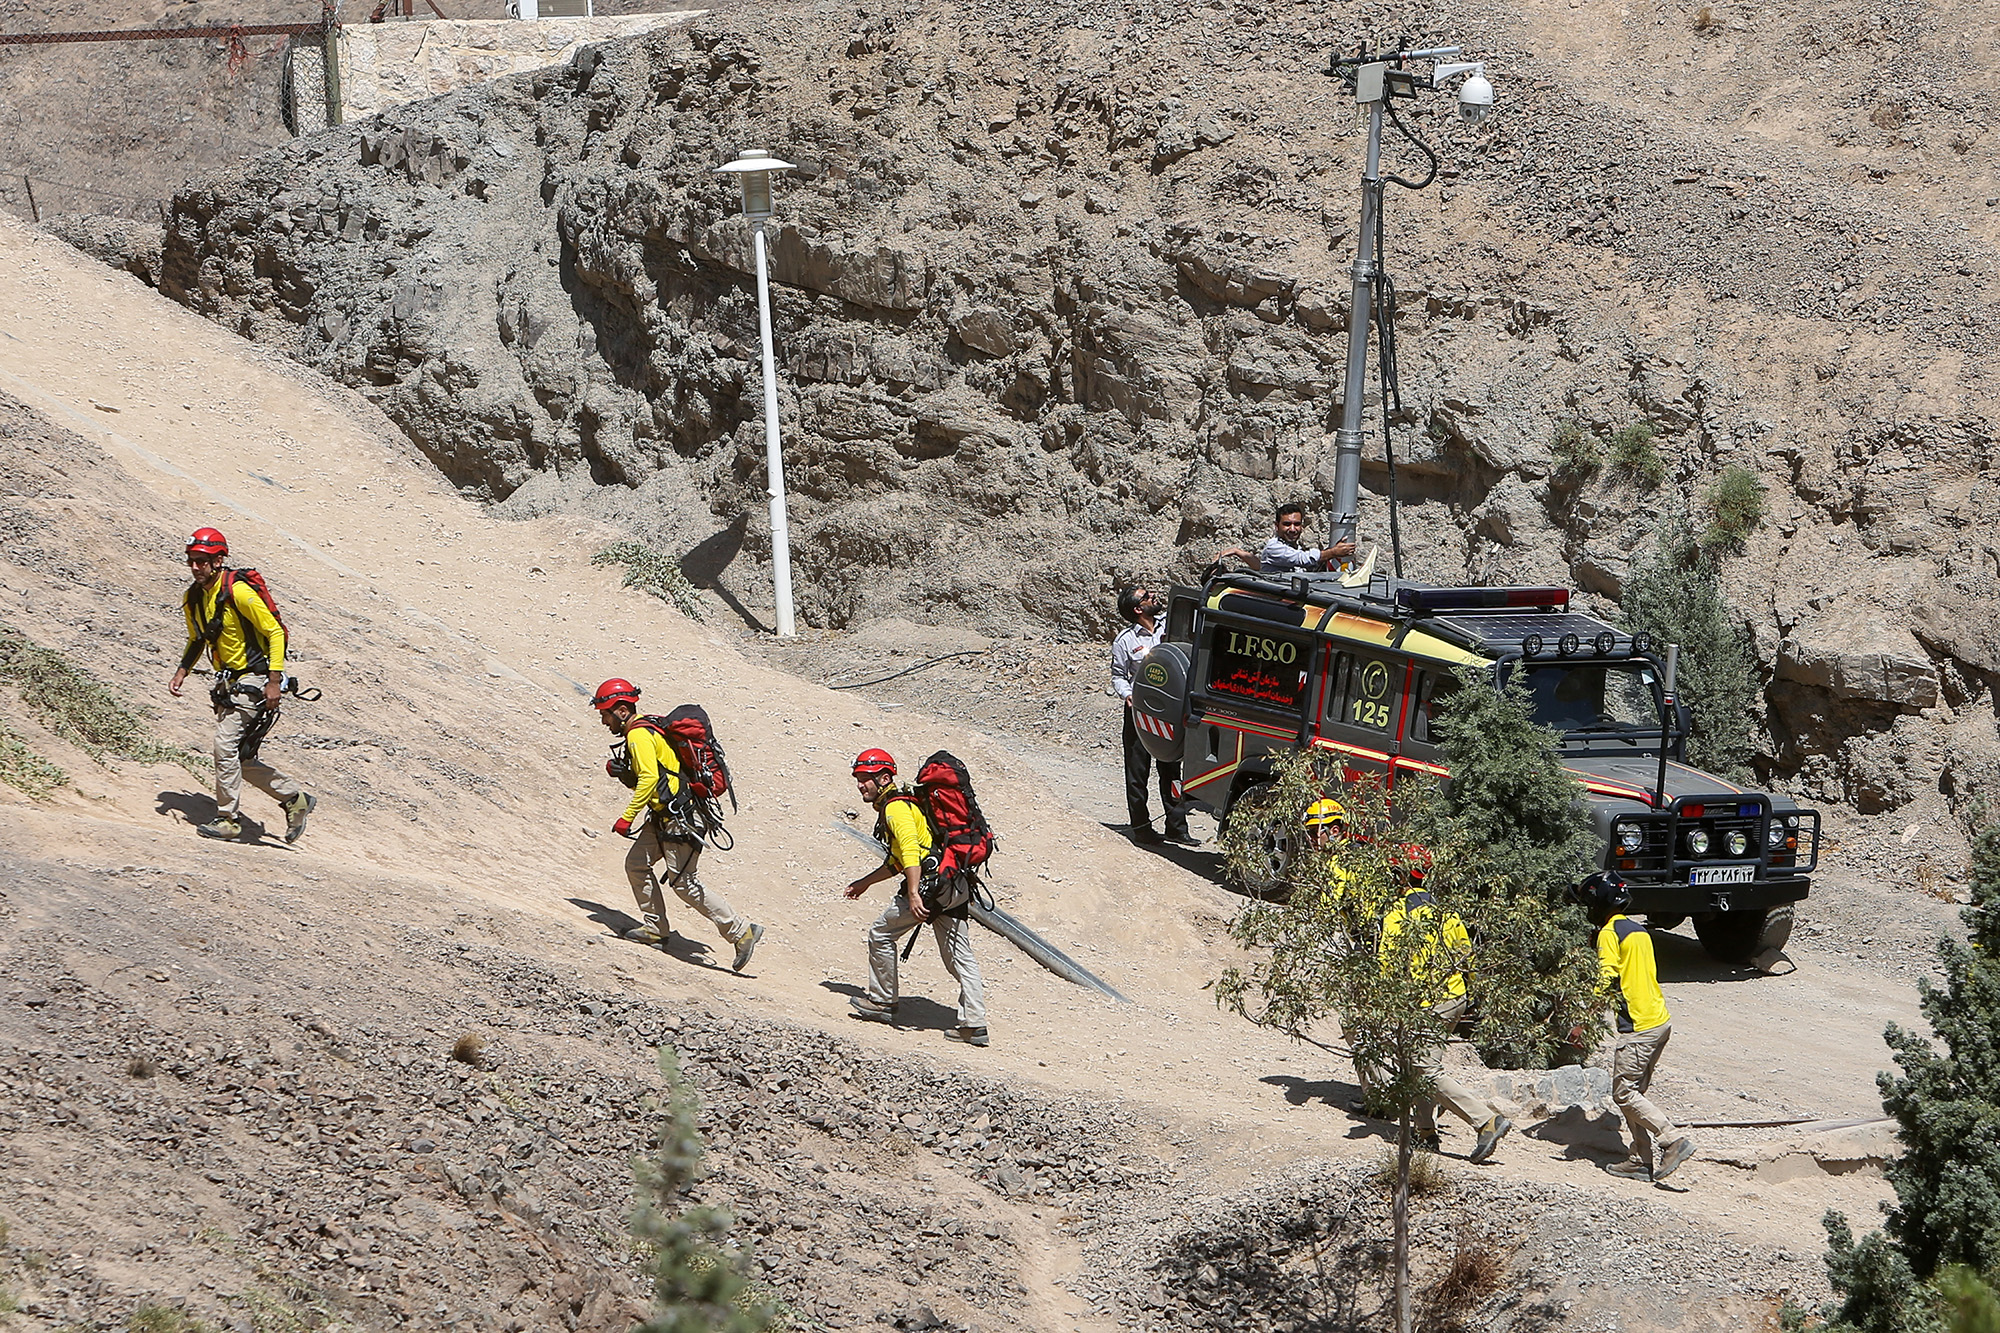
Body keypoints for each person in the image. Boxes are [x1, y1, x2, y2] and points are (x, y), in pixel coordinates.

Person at [593, 678, 762, 972]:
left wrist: (626, 817)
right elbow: (656, 772)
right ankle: (656, 929)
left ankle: (741, 931)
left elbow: (648, 779)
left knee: (684, 883)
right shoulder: (647, 727)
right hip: (665, 815)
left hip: (679, 818)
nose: (603, 721)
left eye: (605, 714)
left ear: (621, 710)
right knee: (636, 864)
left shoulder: (637, 735)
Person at [167, 527, 314, 843]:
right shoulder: (193, 597)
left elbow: (274, 632)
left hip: (254, 679)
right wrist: (182, 671)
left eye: (202, 561)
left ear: (218, 561)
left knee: (224, 746)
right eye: (192, 560)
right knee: (239, 759)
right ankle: (294, 799)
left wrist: (273, 682)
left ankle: (227, 820)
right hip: (228, 684)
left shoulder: (239, 592)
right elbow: (197, 639)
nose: (196, 567)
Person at [1371, 850, 1513, 1162]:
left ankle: (1486, 1121)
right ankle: (1425, 1134)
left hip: (1426, 1003)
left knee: (1424, 1068)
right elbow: (1466, 955)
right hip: (1454, 997)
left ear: (1400, 876)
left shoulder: (1397, 916)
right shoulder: (1445, 913)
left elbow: (1389, 968)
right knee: (1415, 1064)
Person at [843, 748, 988, 1047]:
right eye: (858, 778)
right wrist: (865, 883)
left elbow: (909, 851)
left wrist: (912, 893)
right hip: (953, 881)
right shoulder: (906, 803)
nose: (860, 785)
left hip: (929, 888)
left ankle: (883, 1002)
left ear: (884, 778)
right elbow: (896, 861)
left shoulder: (895, 808)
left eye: (866, 779)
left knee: (881, 934)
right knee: (960, 956)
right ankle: (974, 1025)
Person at [1571, 870, 1696, 1183]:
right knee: (1634, 1093)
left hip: (1638, 1027)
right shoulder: (1636, 930)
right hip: (1660, 1021)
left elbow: (1606, 979)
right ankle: (1640, 1159)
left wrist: (1581, 1024)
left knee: (1624, 1093)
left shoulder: (1609, 934)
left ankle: (1671, 1140)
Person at [1110, 586, 1194, 846]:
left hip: (1171, 711)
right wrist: (1128, 695)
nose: (1153, 597)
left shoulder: (1171, 625)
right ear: (1138, 609)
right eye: (1146, 596)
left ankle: (1176, 826)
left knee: (1172, 770)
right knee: (1138, 772)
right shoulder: (1125, 641)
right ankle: (1142, 828)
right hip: (1140, 714)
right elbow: (1118, 676)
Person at [1215, 505, 1358, 574]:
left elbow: (1261, 566)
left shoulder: (1294, 547)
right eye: (1287, 524)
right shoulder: (1275, 548)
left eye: (1296, 524)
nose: (1292, 529)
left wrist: (1238, 552)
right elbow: (1302, 559)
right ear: (1277, 526)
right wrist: (1333, 552)